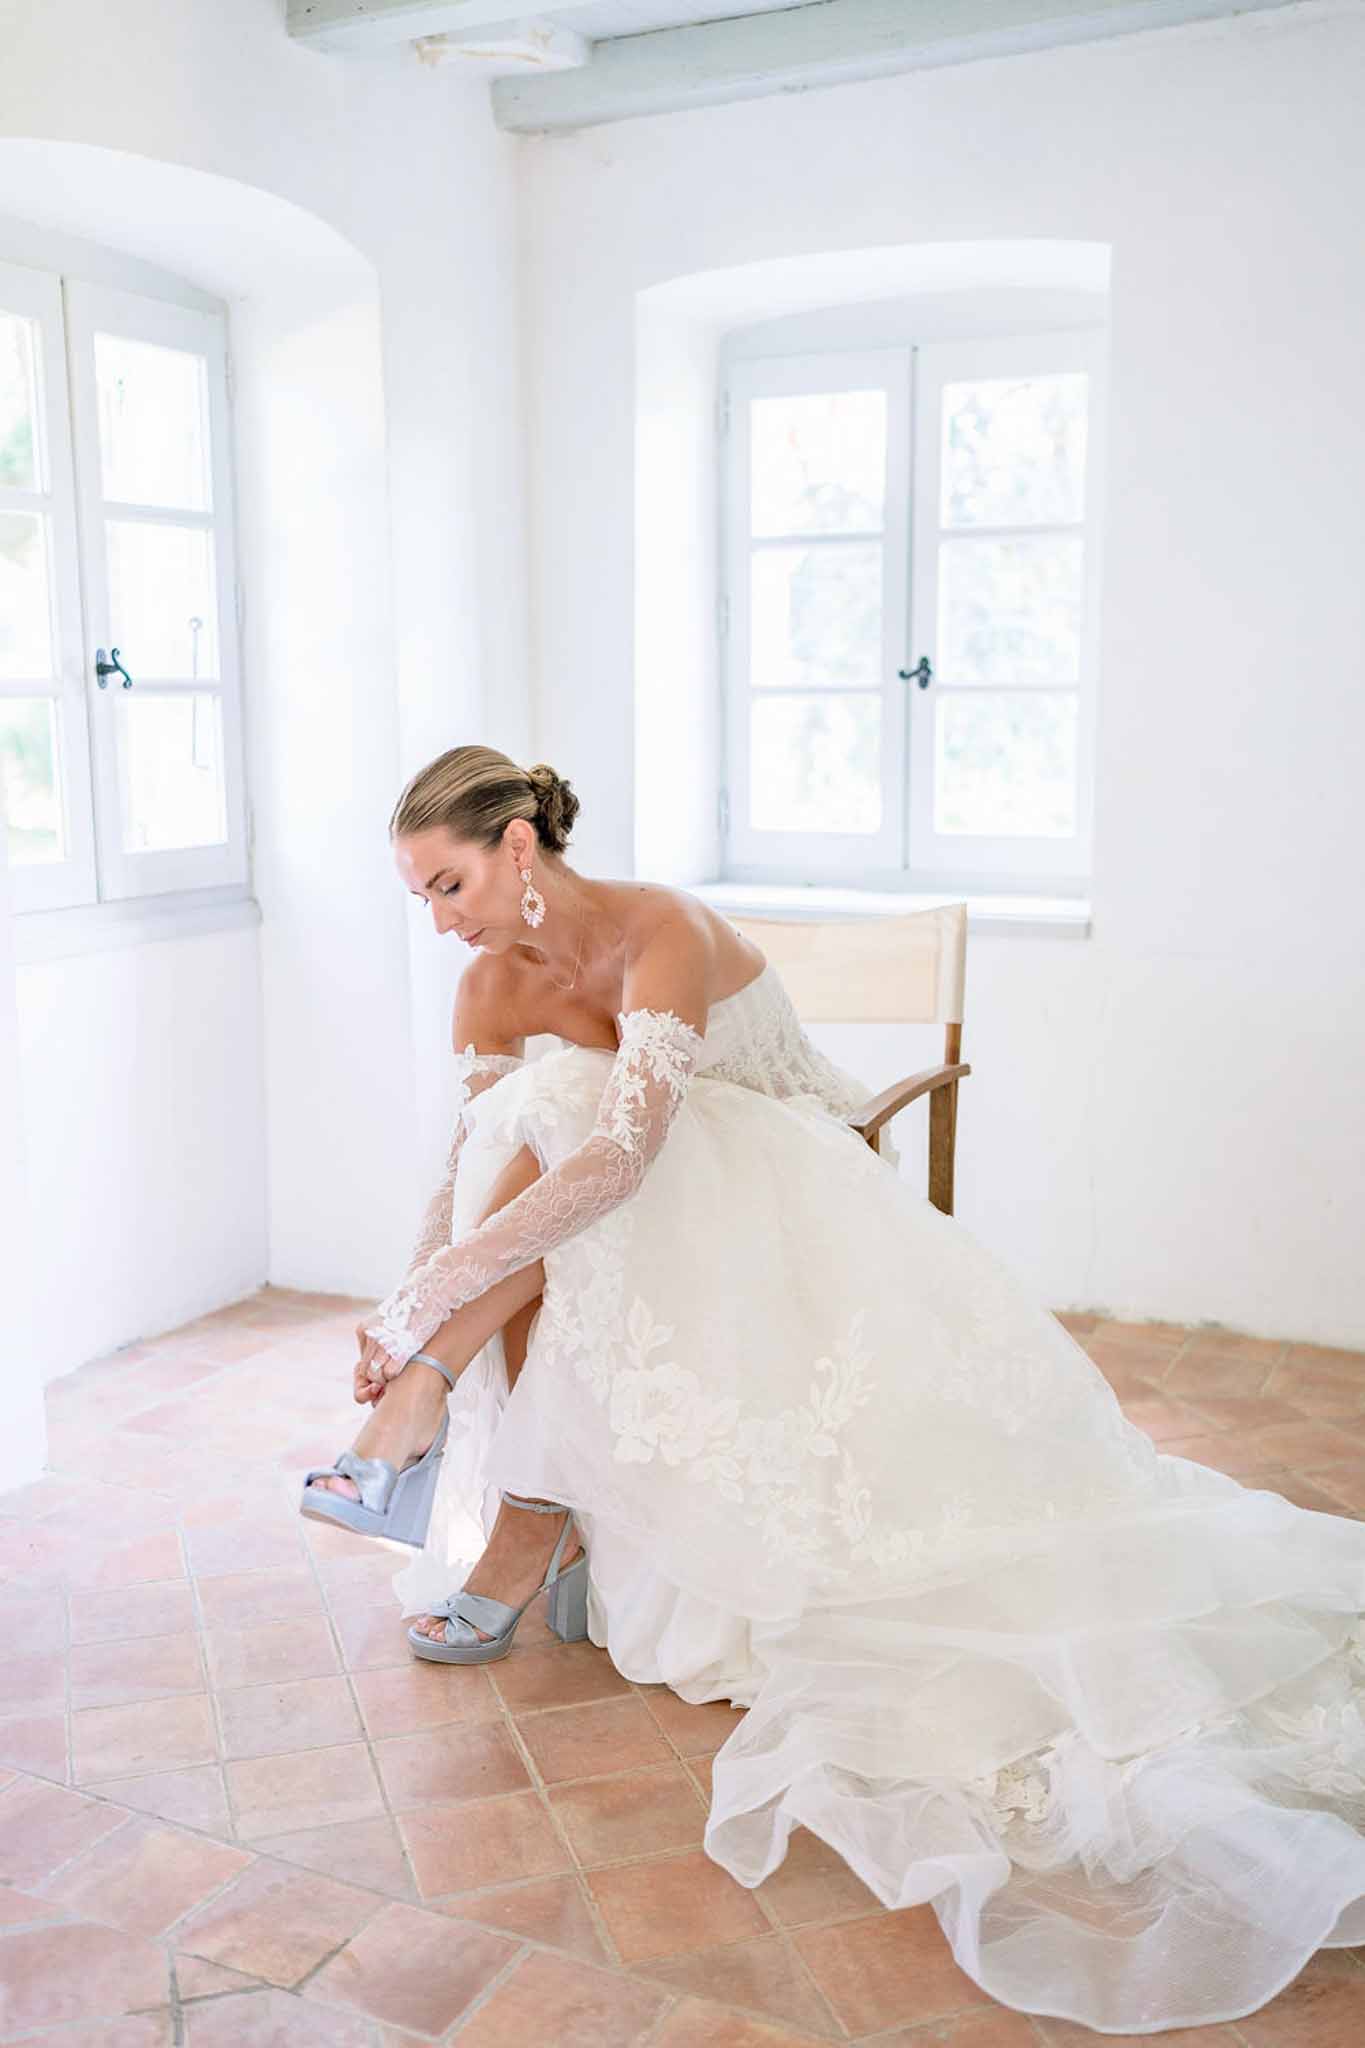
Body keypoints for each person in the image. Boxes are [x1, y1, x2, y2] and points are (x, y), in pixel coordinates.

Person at [300, 744, 1365, 2035]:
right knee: (531, 1117)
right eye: (418, 897)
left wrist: (429, 1310)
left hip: (781, 1186)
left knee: (573, 1114)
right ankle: (473, 1443)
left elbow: (630, 1155)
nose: (439, 921)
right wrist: (406, 1298)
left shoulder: (661, 932)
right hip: (629, 1213)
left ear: (517, 844)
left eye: (447, 884)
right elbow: (461, 1167)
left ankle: (499, 1488)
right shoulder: (487, 982)